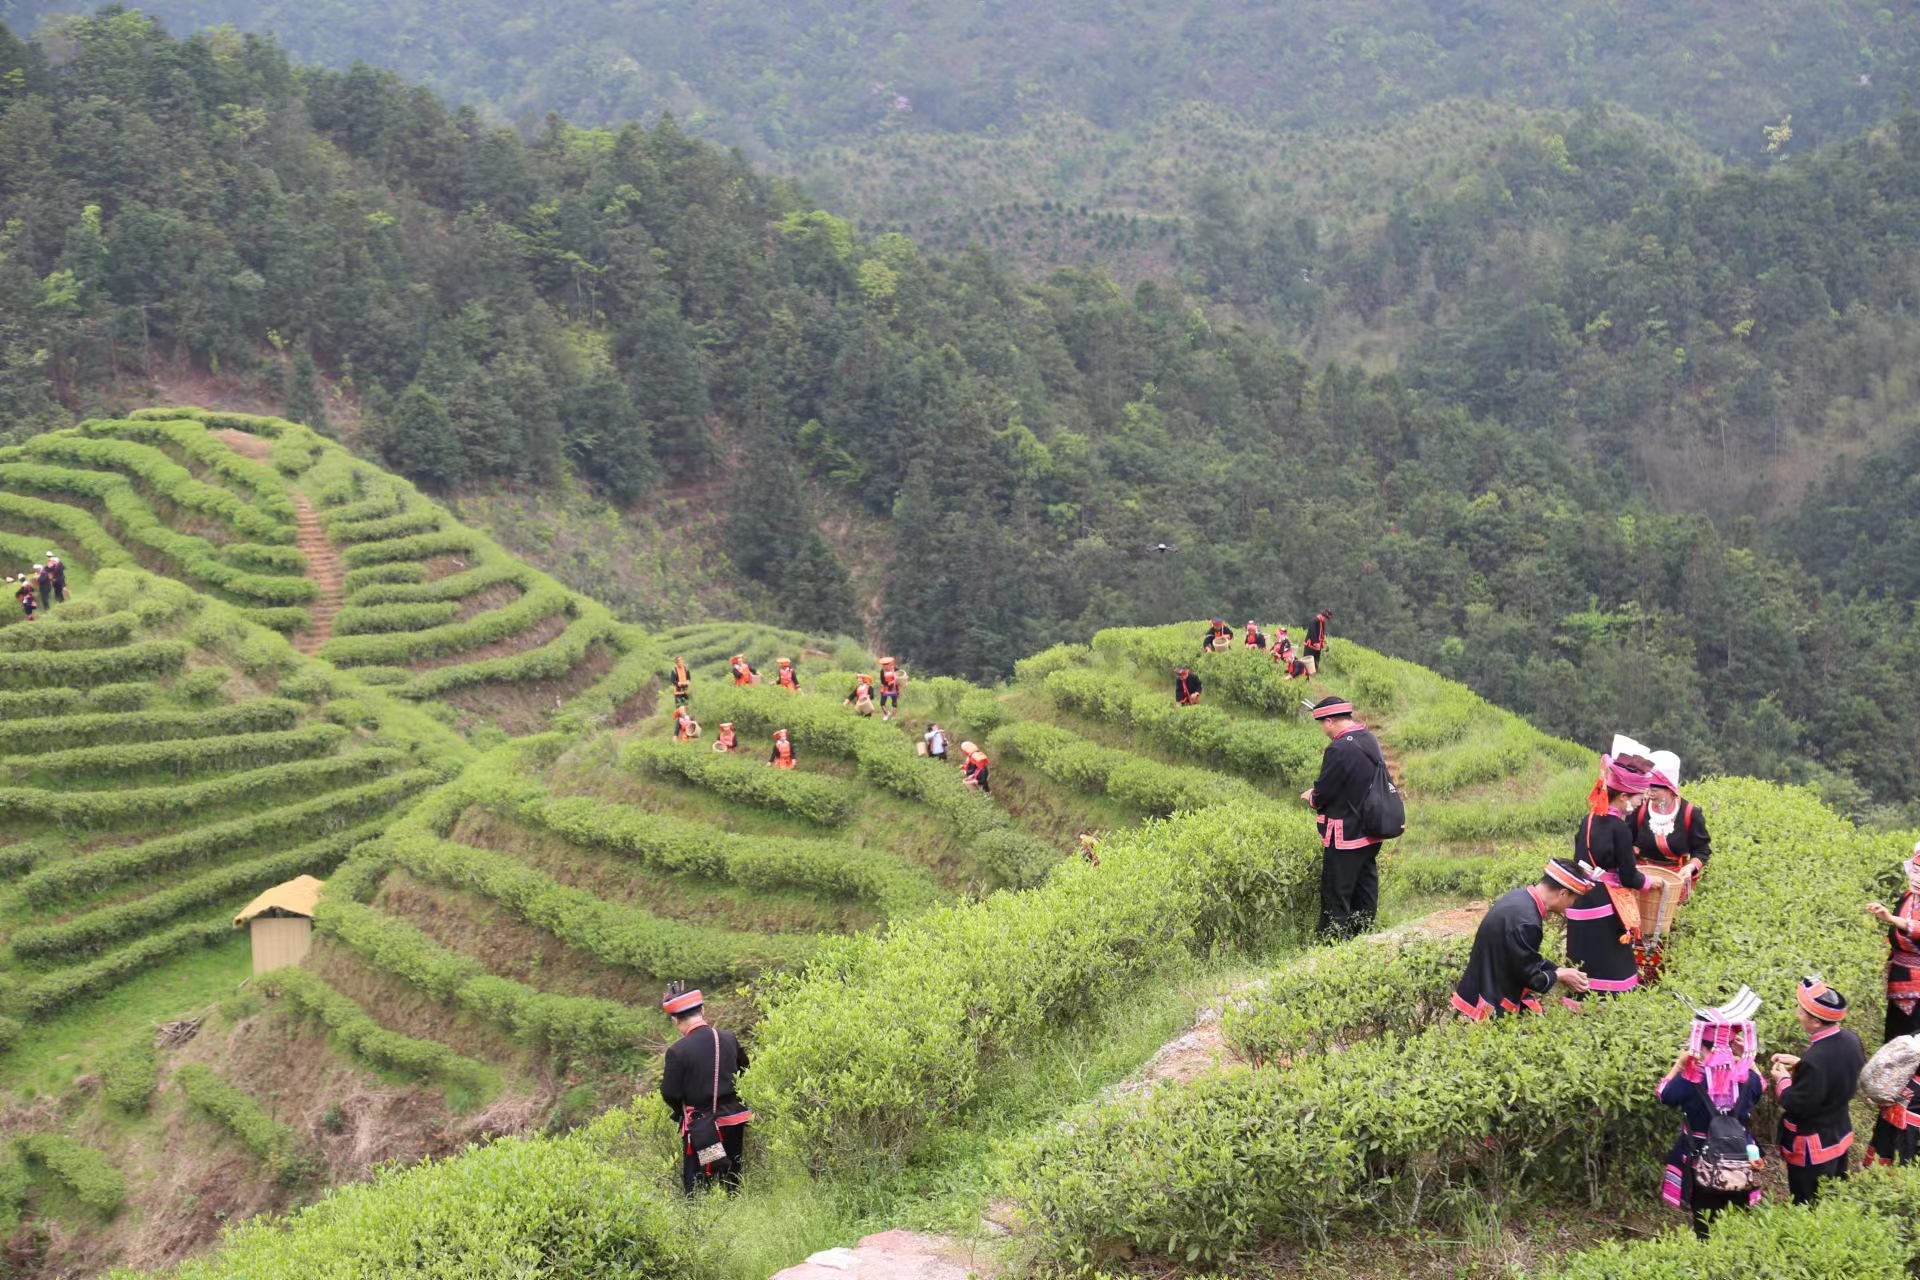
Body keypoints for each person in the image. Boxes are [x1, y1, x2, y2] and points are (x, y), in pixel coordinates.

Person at [1658, 1013, 1765, 1238]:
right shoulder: (1747, 1076)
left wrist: (1679, 1064)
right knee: (1737, 1218)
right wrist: (1747, 1058)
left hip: (1701, 1159)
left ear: (1698, 1043)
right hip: (1740, 1155)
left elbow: (1664, 1095)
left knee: (1704, 1220)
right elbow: (1761, 1087)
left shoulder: (1691, 1078)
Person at [1451, 858, 1593, 1020]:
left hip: (1481, 983)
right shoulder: (1528, 922)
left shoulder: (1518, 896)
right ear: (1563, 893)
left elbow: (1522, 957)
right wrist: (1559, 975)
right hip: (1492, 999)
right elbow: (1532, 979)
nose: (1571, 905)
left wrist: (1557, 969)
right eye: (1574, 899)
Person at [1564, 754, 1650, 1004]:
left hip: (1581, 896)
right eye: (1638, 797)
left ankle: (1579, 997)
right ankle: (1611, 1002)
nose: (1640, 802)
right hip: (1606, 901)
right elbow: (1629, 876)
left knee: (1583, 953)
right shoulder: (1619, 828)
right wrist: (1649, 882)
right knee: (1610, 958)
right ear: (1623, 796)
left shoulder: (1588, 819)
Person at [1770, 977, 1865, 1205]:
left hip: (1814, 1148)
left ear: (1815, 1021)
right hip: (1838, 1134)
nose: (1797, 1015)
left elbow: (1798, 1104)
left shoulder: (1816, 1059)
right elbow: (1833, 1074)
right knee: (1832, 1199)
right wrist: (1800, 1064)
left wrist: (1783, 1080)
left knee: (1807, 1203)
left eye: (1801, 1011)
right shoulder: (1851, 1040)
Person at [1302, 696, 1388, 939]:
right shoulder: (1369, 739)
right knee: (1365, 889)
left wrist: (1312, 797)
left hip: (1345, 834)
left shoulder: (1338, 748)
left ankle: (1331, 944)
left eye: (1322, 724)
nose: (1323, 730)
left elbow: (1325, 790)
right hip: (1371, 830)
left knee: (1336, 894)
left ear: (1330, 721)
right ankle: (1363, 938)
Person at [659, 985, 752, 1193]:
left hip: (702, 1128)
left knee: (699, 1185)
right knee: (731, 1180)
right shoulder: (728, 1038)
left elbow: (670, 1093)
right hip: (733, 1120)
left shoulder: (677, 1051)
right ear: (702, 1010)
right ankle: (733, 1206)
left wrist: (682, 1109)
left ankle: (703, 1212)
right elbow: (744, 1071)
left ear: (675, 1020)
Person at [1865, 844, 1920, 1165]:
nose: (1917, 877)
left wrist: (1893, 919)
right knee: (1893, 1061)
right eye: (1916, 870)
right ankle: (1884, 1144)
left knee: (1912, 1067)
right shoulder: (1908, 896)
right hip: (1898, 992)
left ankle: (1907, 1149)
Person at [1633, 752, 1711, 881]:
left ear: (1670, 789)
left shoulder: (1690, 813)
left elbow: (1702, 849)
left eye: (1654, 790)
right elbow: (1627, 841)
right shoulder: (1639, 808)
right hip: (1642, 878)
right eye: (1647, 788)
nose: (1649, 793)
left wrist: (1690, 867)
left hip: (1675, 879)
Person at [1302, 609, 1331, 676]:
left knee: (1316, 660)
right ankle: (1305, 672)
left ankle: (1314, 672)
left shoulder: (1322, 623)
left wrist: (1323, 640)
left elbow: (1322, 632)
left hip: (1318, 646)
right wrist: (1315, 643)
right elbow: (1313, 633)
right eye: (1325, 618)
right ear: (1322, 616)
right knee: (1308, 659)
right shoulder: (1314, 621)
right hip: (1310, 645)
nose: (1325, 620)